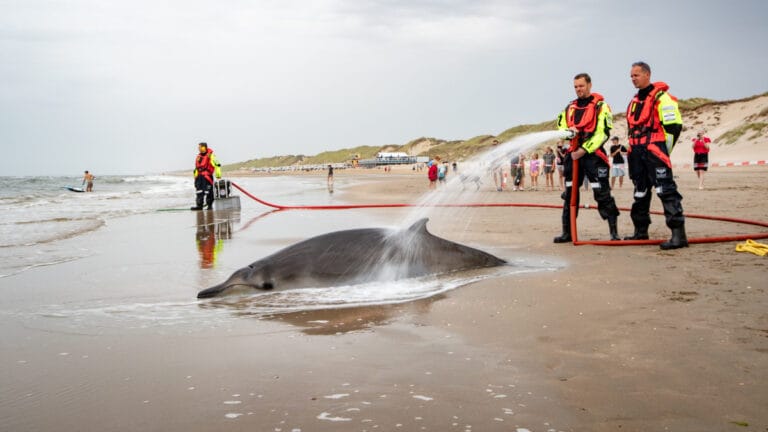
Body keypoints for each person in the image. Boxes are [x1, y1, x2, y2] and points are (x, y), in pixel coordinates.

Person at [624, 61, 686, 249]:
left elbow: (674, 127)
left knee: (666, 191)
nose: (633, 79)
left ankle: (679, 236)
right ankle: (640, 231)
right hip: (637, 152)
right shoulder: (635, 101)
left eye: (636, 75)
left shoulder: (662, 98)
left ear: (647, 75)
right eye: (631, 76)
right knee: (640, 192)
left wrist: (663, 152)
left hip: (654, 151)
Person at [554, 72, 621, 243]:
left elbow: (602, 133)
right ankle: (567, 232)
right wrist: (569, 133)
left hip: (593, 156)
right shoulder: (569, 108)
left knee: (602, 193)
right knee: (570, 194)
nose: (578, 89)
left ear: (589, 85)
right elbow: (561, 126)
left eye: (581, 86)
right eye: (576, 87)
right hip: (573, 156)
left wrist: (584, 149)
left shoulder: (601, 107)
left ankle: (614, 232)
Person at [191, 142, 222, 210]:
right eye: (198, 147)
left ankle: (209, 206)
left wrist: (218, 175)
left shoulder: (211, 155)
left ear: (204, 147)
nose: (198, 148)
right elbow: (196, 168)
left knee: (209, 191)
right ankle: (199, 206)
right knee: (199, 191)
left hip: (207, 177)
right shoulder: (198, 156)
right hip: (199, 177)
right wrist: (195, 177)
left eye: (200, 147)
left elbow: (217, 165)